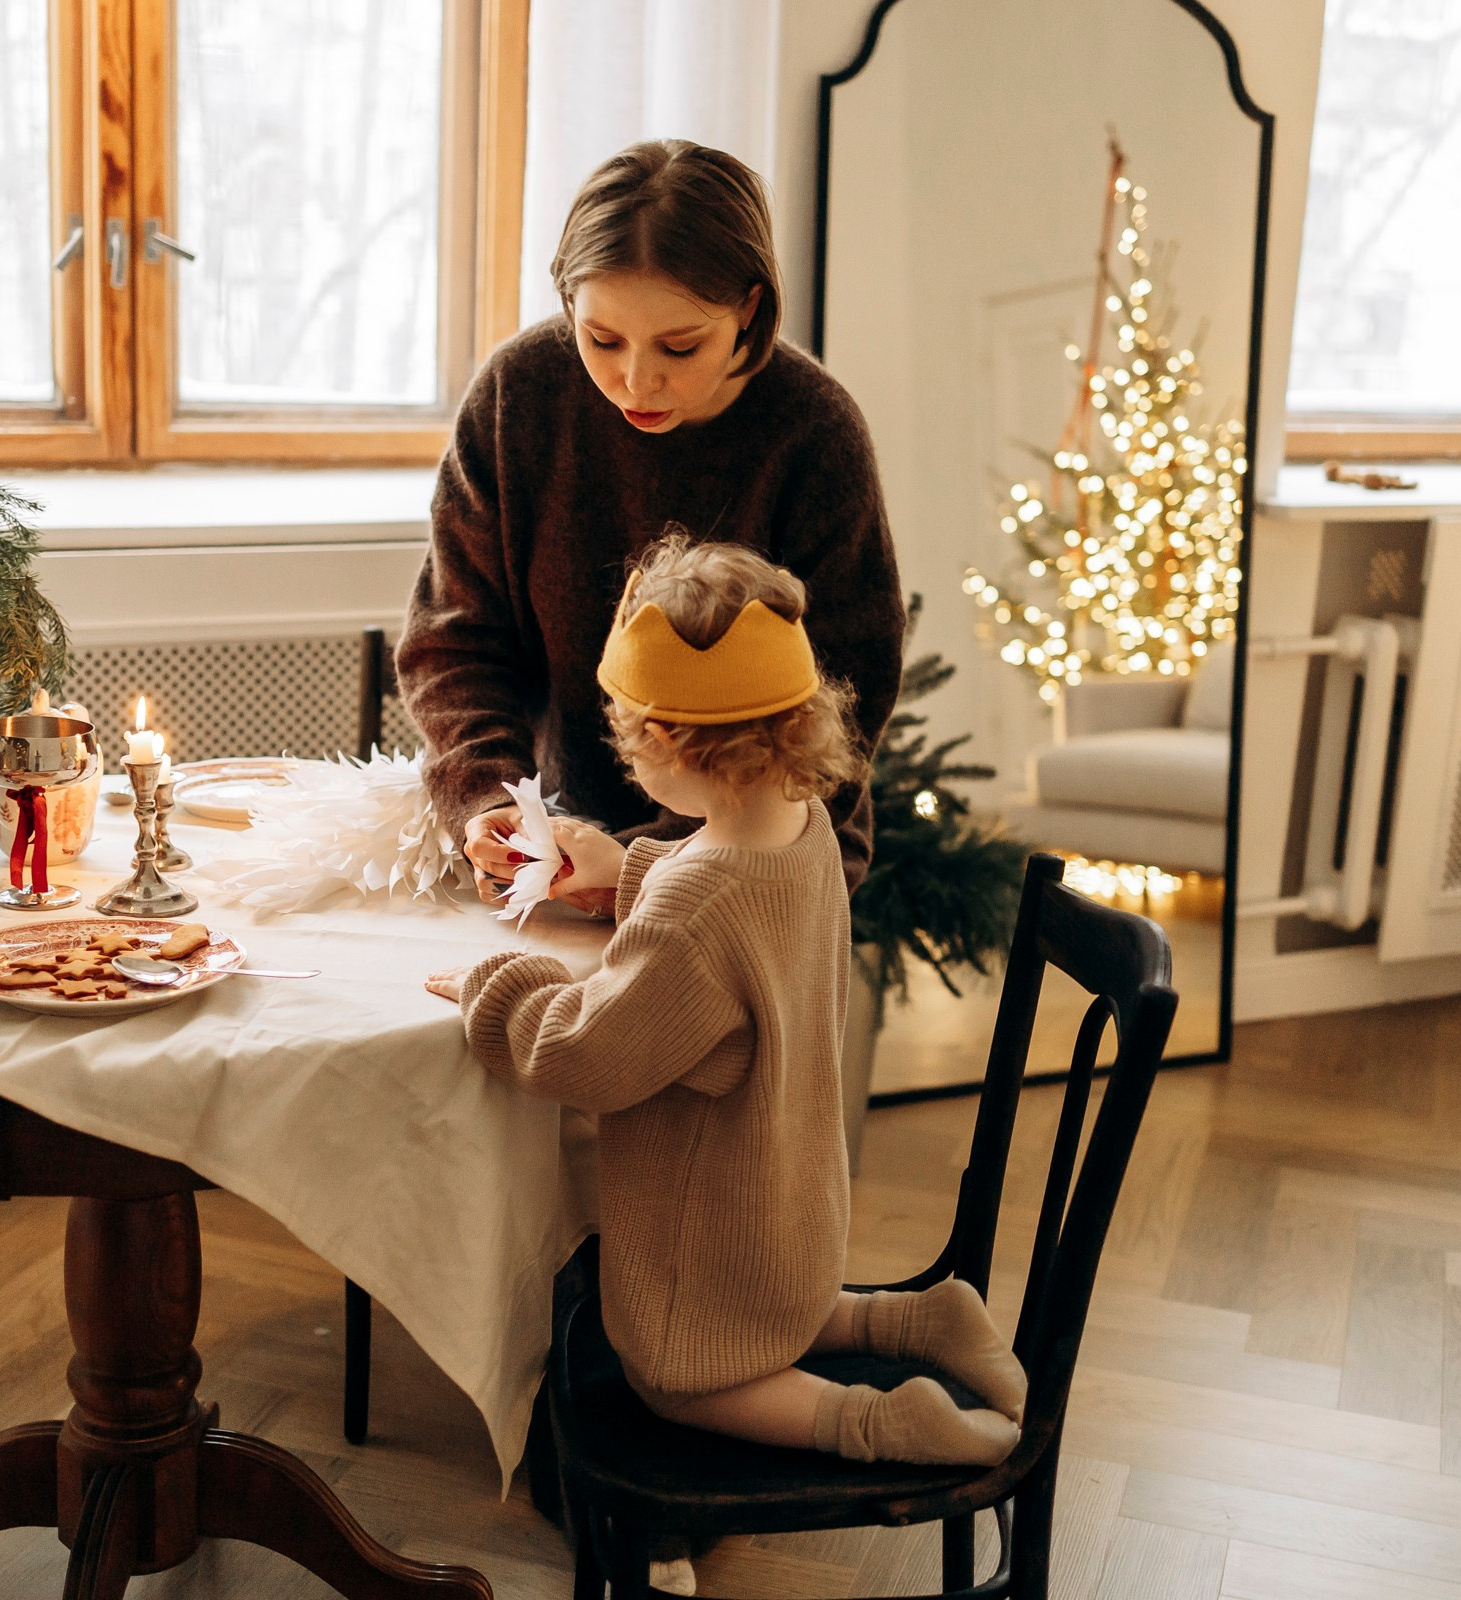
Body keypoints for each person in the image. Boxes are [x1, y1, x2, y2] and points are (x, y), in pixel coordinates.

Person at [424, 539, 1023, 1466]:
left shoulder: (698, 909)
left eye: (626, 732)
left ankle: (882, 1424)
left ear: (659, 740)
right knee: (779, 1314)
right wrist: (628, 868)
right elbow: (740, 929)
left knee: (680, 1374)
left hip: (704, 1244)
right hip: (792, 1212)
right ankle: (917, 1318)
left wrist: (493, 986)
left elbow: (585, 1055)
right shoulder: (805, 826)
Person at [398, 139, 904, 913]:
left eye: (679, 345)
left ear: (750, 311)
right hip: (554, 841)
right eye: (601, 339)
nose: (636, 378)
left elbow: (835, 713)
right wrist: (488, 798)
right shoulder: (517, 395)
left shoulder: (814, 433)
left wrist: (646, 862)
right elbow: (453, 638)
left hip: (761, 864)